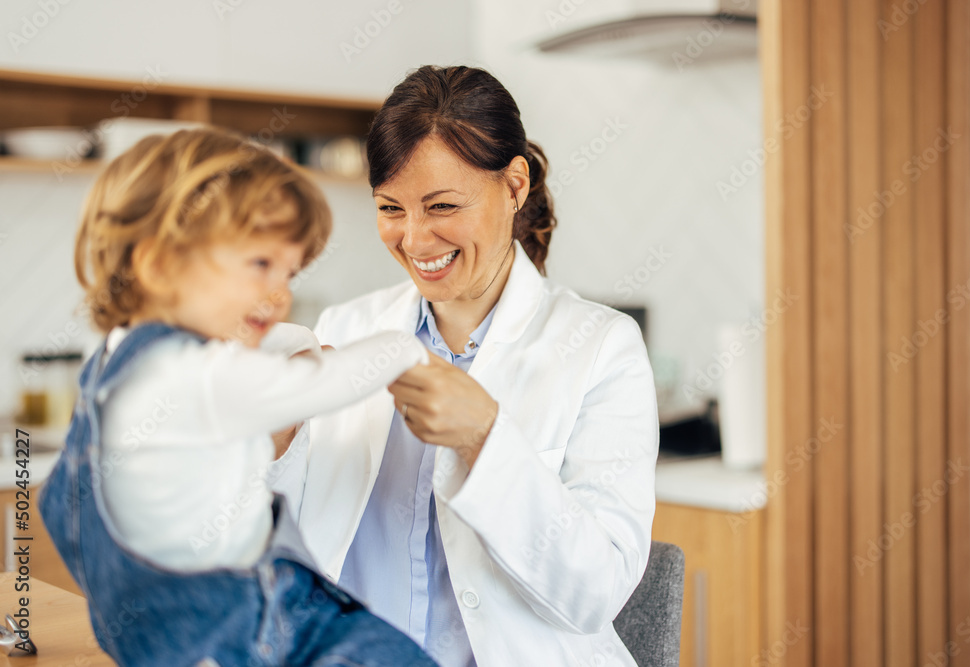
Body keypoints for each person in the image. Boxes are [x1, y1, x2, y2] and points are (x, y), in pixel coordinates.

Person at [269, 66, 659, 667]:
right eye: (390, 208)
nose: (416, 239)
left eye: (443, 205)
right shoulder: (344, 331)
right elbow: (268, 549)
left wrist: (485, 438)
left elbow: (594, 593)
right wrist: (276, 437)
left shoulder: (603, 347)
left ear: (514, 186)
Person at [39, 128, 439, 667]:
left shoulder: (110, 367)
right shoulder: (196, 374)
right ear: (158, 264)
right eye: (259, 265)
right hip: (253, 621)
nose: (281, 295)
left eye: (289, 272)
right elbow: (321, 385)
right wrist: (404, 348)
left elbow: (56, 504)